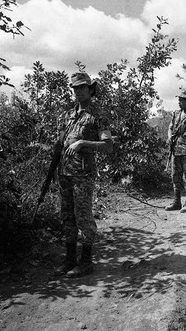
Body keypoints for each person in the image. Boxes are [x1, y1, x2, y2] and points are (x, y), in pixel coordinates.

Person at [55, 72, 113, 277]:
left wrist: (83, 143)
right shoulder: (67, 115)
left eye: (82, 87)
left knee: (83, 216)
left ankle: (86, 261)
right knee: (67, 216)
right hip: (65, 174)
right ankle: (69, 259)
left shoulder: (98, 115)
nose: (78, 91)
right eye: (75, 88)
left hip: (83, 174)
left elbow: (108, 146)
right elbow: (60, 144)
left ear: (90, 89)